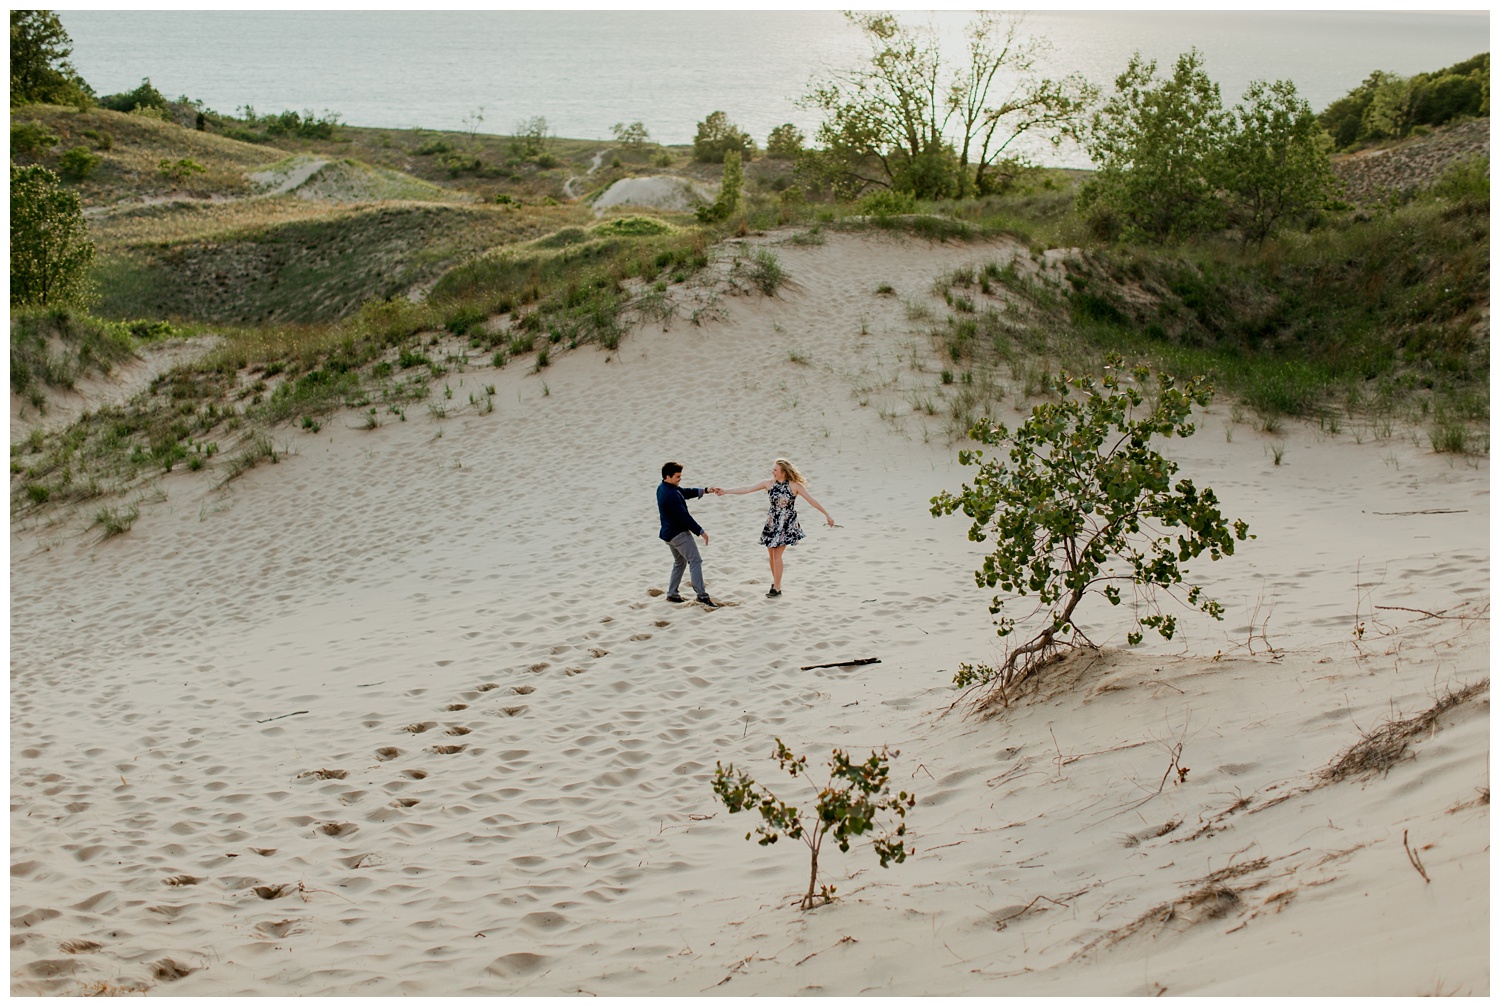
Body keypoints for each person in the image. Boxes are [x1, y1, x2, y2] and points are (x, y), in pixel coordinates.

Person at [718, 458, 834, 597]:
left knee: (777, 555)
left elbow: (811, 500)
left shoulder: (795, 486)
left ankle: (777, 587)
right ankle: (776, 582)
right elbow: (747, 489)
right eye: (773, 469)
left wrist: (827, 514)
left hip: (786, 523)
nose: (772, 472)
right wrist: (725, 491)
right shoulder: (768, 484)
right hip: (772, 522)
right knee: (771, 555)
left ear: (783, 472)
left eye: (775, 470)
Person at [656, 462, 721, 608]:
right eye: (678, 476)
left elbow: (684, 492)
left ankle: (672, 594)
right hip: (678, 535)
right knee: (695, 560)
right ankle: (702, 596)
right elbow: (684, 517)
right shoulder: (670, 494)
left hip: (668, 535)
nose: (680, 479)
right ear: (668, 476)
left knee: (680, 562)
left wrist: (705, 490)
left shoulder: (663, 487)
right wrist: (700, 531)